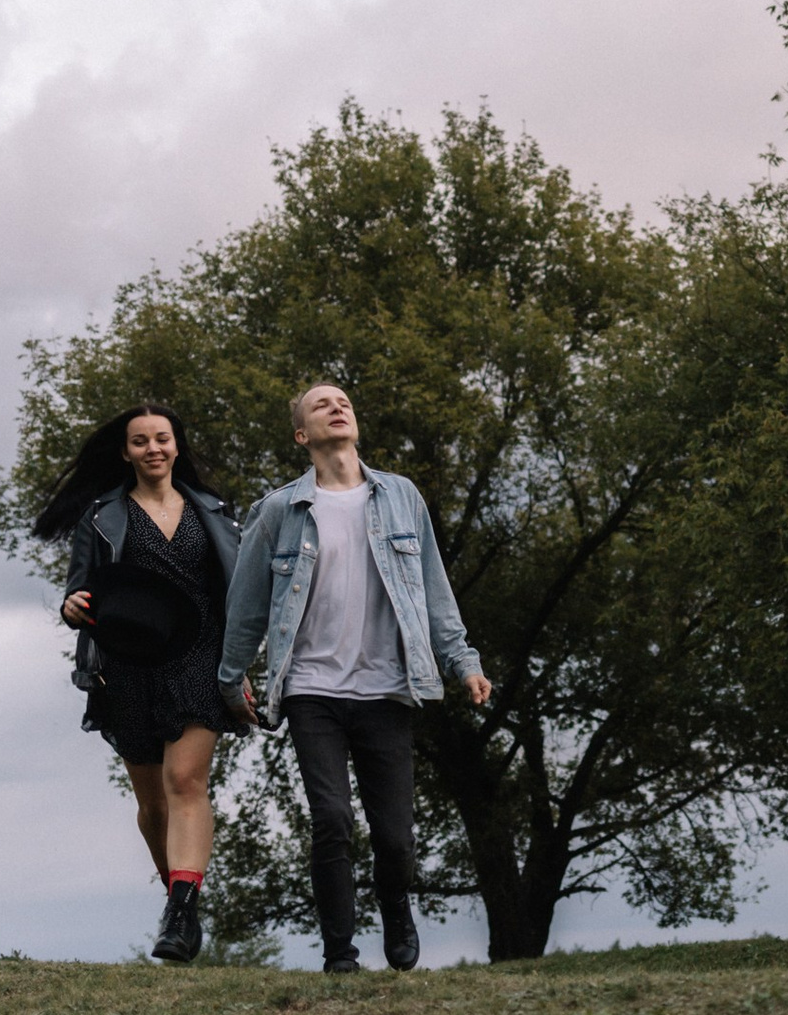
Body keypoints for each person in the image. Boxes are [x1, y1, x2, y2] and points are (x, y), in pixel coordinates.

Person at [218, 383, 490, 972]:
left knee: (394, 838)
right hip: (311, 688)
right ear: (302, 435)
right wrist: (230, 679)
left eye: (343, 402)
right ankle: (340, 952)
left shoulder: (402, 498)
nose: (337, 408)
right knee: (333, 819)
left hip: (388, 688)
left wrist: (463, 662)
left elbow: (434, 593)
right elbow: (245, 609)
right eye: (321, 405)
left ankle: (396, 905)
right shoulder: (277, 511)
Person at [31, 403, 245, 963]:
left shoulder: (216, 513)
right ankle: (183, 907)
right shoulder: (102, 516)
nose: (153, 448)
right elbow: (79, 595)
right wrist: (72, 607)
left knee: (184, 780)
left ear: (177, 446)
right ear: (125, 452)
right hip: (127, 662)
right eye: (141, 441)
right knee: (153, 803)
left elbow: (242, 596)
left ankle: (178, 914)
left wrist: (243, 666)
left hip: (201, 653)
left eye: (162, 438)